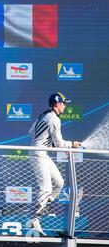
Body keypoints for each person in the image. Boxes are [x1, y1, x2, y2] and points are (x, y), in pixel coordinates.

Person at [28, 92, 81, 235]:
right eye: (63, 103)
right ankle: (35, 219)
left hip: (41, 152)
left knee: (59, 182)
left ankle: (44, 205)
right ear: (57, 104)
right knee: (45, 188)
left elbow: (31, 132)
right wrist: (72, 144)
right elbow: (59, 143)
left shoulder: (44, 114)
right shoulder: (54, 119)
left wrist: (43, 141)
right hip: (38, 154)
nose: (65, 106)